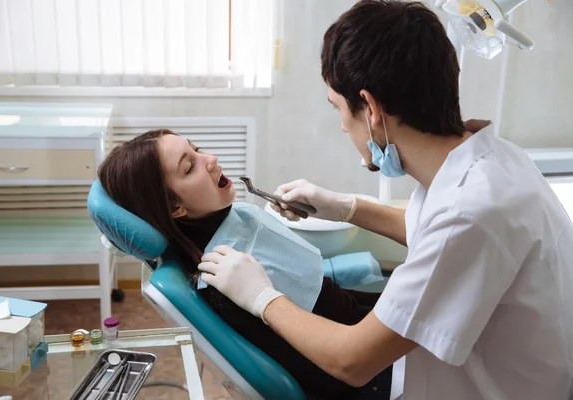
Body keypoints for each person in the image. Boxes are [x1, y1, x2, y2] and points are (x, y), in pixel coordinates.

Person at [197, 1, 573, 399]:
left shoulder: (470, 212)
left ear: (372, 109)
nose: (342, 127)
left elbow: (353, 361)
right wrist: (345, 208)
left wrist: (263, 298)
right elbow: (431, 231)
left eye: (339, 109)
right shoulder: (492, 159)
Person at [97, 128, 394, 399]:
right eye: (189, 167)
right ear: (175, 207)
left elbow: (328, 301)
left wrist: (343, 209)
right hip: (368, 370)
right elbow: (329, 373)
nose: (210, 159)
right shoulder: (224, 280)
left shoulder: (231, 224)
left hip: (362, 330)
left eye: (198, 149)